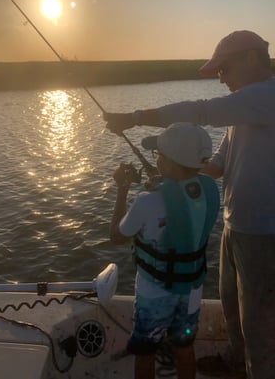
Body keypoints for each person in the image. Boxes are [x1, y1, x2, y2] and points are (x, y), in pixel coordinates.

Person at [104, 30, 275, 379]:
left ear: (252, 58)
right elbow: (217, 163)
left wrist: (133, 117)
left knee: (259, 317)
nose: (220, 77)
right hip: (236, 225)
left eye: (224, 68)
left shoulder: (266, 96)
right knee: (231, 303)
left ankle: (258, 370)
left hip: (263, 232)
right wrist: (174, 181)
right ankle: (234, 360)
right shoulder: (247, 106)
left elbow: (200, 111)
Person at [110, 123, 220, 379]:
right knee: (184, 347)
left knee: (145, 352)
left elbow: (116, 235)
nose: (155, 158)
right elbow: (183, 194)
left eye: (158, 155)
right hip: (192, 288)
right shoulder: (209, 189)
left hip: (154, 295)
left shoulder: (146, 201)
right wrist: (166, 182)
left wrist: (122, 188)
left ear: (169, 164)